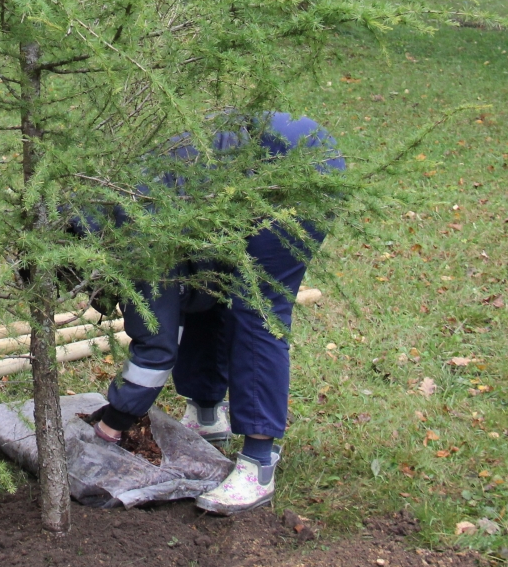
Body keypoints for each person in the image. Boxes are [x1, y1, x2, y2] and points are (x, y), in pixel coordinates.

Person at [91, 112, 343, 515]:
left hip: (292, 168)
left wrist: (113, 422)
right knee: (209, 285)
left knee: (256, 306)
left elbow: (156, 349)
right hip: (242, 173)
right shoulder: (111, 204)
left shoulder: (133, 232)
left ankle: (259, 465)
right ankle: (207, 414)